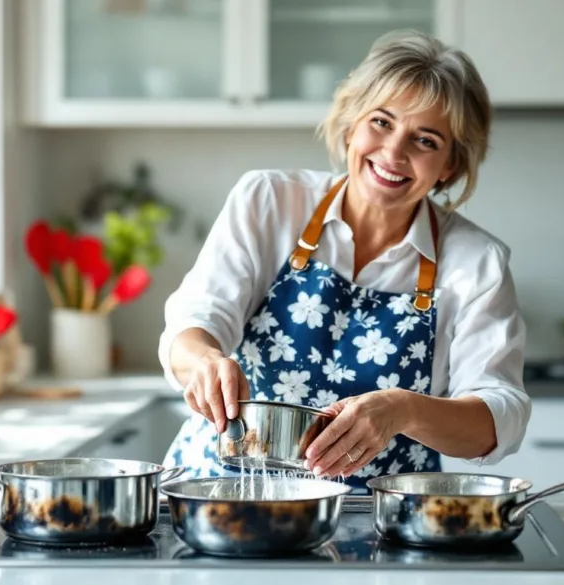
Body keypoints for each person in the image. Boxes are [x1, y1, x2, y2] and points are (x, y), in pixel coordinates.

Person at [158, 29, 531, 493]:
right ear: (351, 123)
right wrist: (205, 361)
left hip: (373, 524)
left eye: (426, 140)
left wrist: (404, 409)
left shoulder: (477, 263)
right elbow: (194, 322)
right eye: (381, 122)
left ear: (450, 166)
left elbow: (501, 416)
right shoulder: (269, 200)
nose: (394, 152)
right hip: (219, 495)